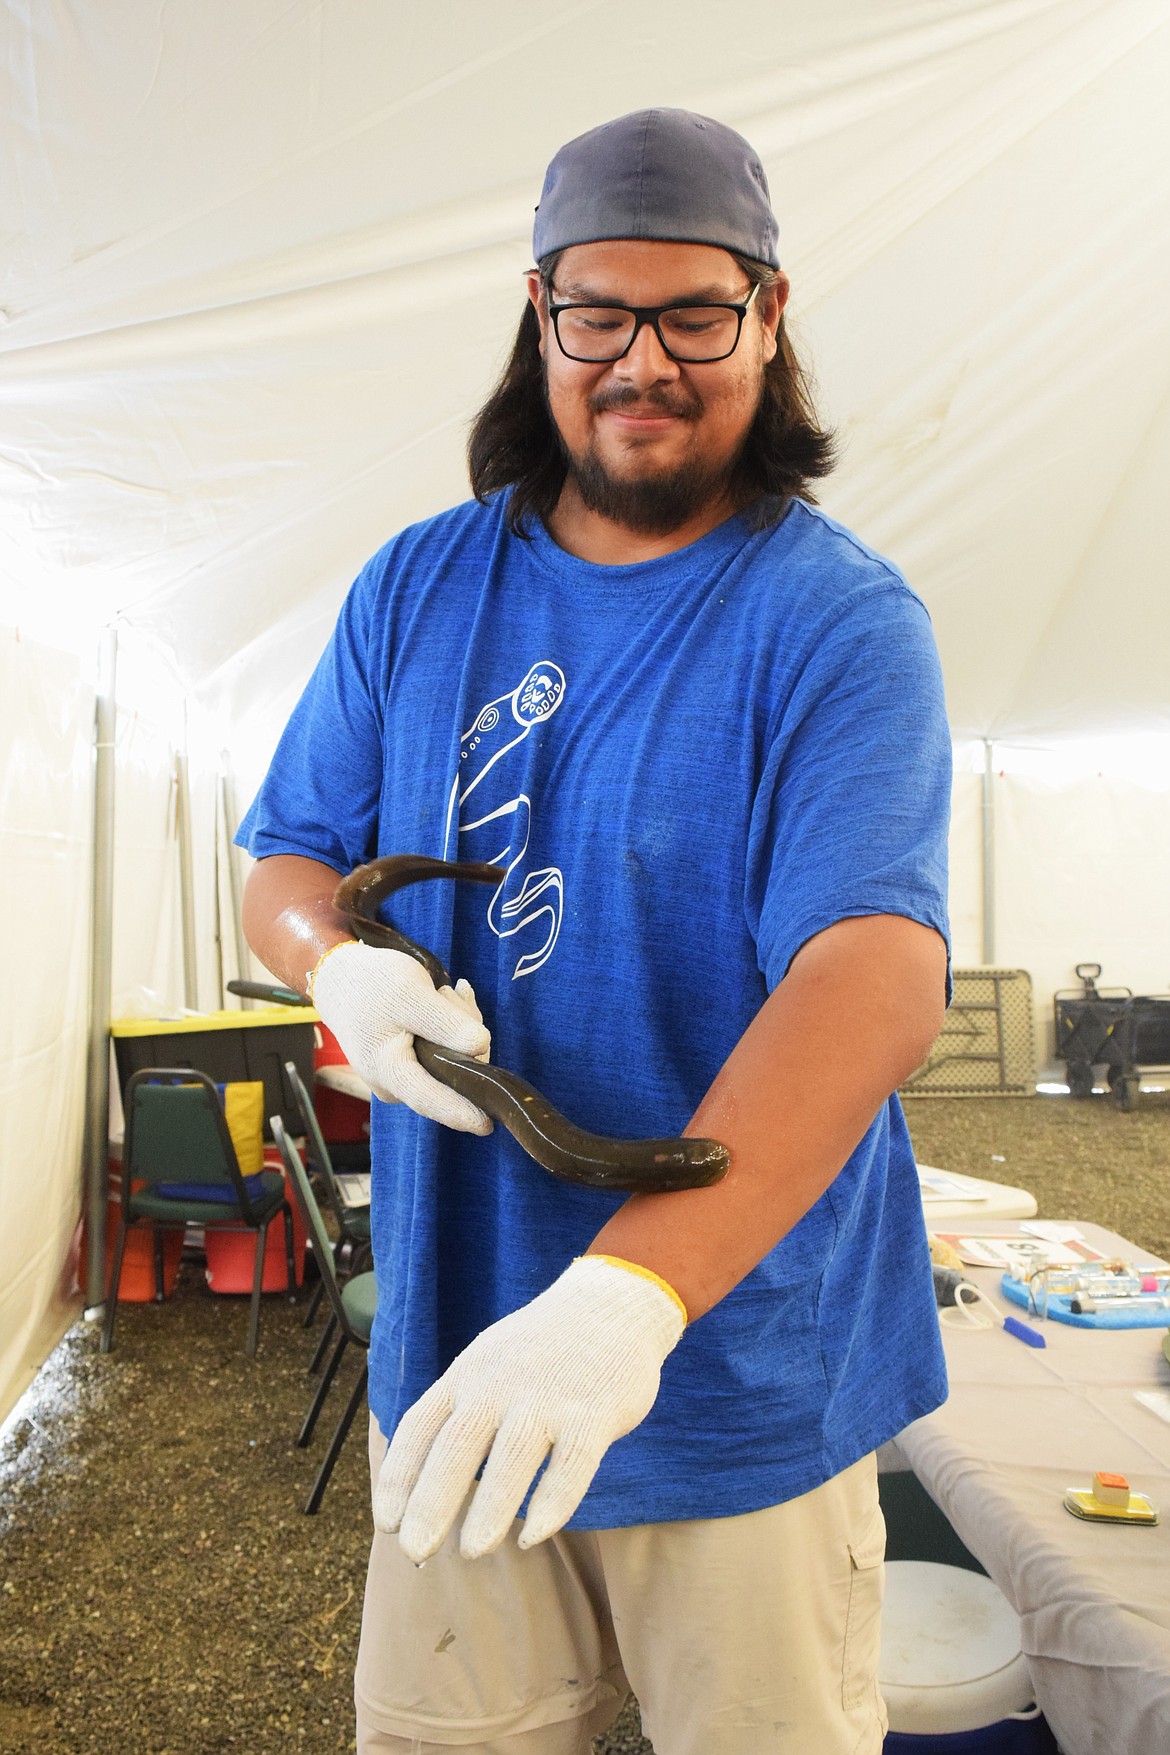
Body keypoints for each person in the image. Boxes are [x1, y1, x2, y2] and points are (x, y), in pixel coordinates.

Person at [238, 107, 952, 1755]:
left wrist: (629, 1299)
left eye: (695, 315)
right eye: (597, 315)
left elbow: (872, 973)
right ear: (539, 317)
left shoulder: (834, 622)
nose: (644, 361)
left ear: (768, 320)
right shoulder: (415, 588)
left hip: (739, 1373)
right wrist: (333, 961)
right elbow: (289, 847)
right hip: (461, 1360)